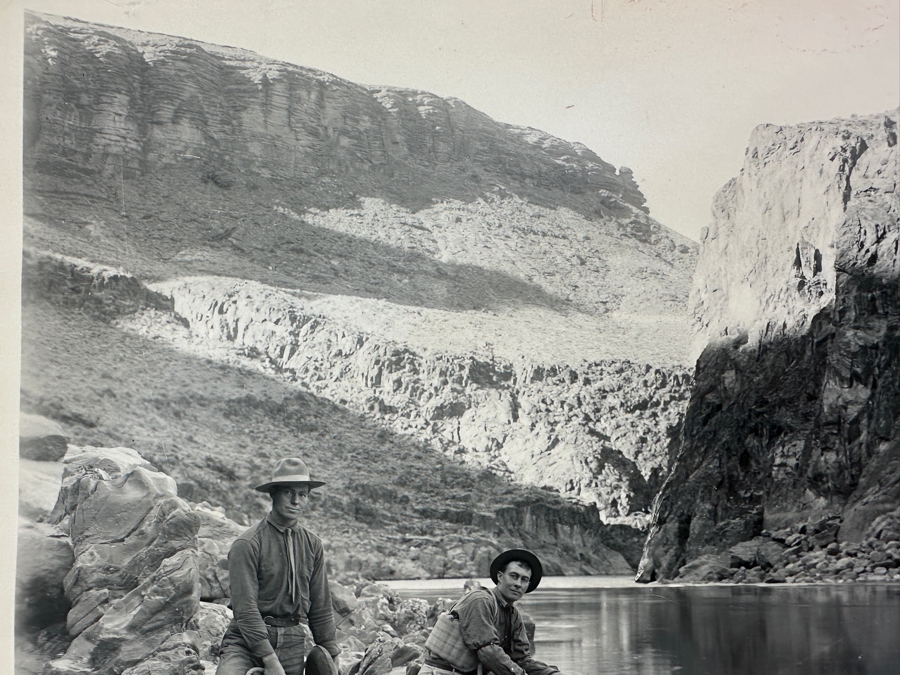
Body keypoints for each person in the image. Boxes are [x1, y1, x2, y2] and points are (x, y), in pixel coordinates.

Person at [216, 458, 340, 675]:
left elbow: (320, 607)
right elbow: (245, 610)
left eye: (302, 494)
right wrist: (270, 661)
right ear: (273, 493)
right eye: (288, 493)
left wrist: (332, 655)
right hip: (245, 641)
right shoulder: (247, 544)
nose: (295, 501)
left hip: (292, 640)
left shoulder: (313, 545)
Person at [422, 549, 565, 675]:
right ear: (500, 577)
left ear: (528, 585)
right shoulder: (480, 600)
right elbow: (488, 651)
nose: (518, 584)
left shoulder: (514, 616)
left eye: (524, 579)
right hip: (441, 672)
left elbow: (521, 659)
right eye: (514, 576)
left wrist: (551, 673)